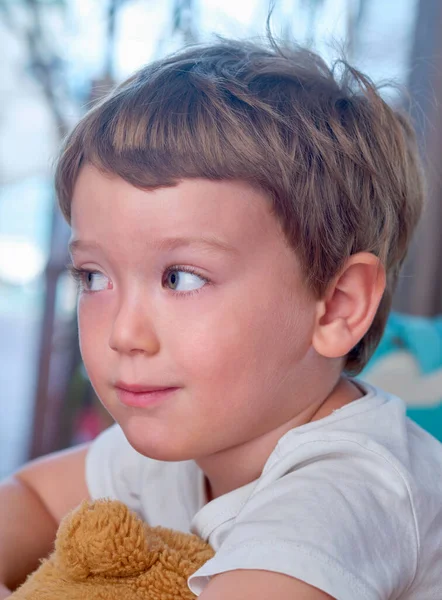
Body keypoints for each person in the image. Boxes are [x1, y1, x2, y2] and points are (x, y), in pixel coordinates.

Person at [0, 34, 441, 600]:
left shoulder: (349, 491)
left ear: (337, 305)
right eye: (94, 277)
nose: (123, 334)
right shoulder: (197, 432)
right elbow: (34, 499)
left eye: (180, 278)